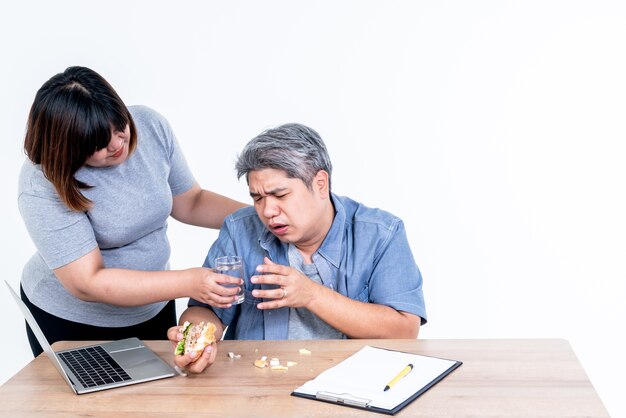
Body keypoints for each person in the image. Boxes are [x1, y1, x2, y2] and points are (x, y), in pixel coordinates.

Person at [18, 66, 247, 357]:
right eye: (98, 143)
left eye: (119, 127)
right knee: (94, 402)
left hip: (154, 306)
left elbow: (191, 202)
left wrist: (257, 217)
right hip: (73, 322)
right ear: (68, 148)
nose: (116, 145)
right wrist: (190, 282)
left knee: (159, 396)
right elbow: (89, 282)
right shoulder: (42, 181)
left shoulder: (150, 126)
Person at [168, 123, 427, 373]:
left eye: (280, 195)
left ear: (320, 184)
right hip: (257, 386)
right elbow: (205, 310)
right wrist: (196, 338)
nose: (267, 211)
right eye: (257, 198)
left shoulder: (380, 233)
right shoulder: (239, 229)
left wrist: (311, 295)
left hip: (351, 385)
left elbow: (404, 330)